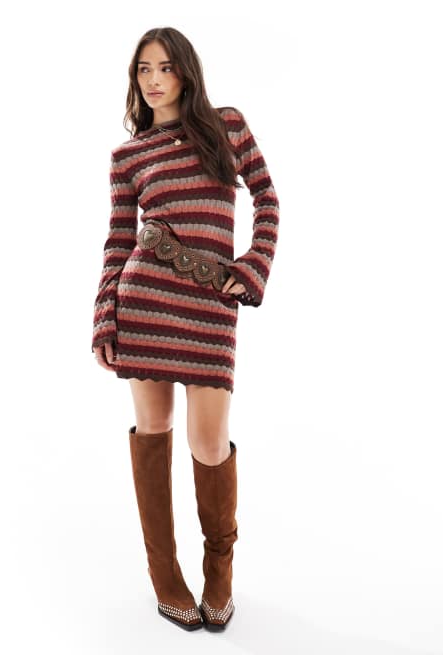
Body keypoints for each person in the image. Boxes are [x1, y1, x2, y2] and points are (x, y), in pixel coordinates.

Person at [91, 26, 280, 631]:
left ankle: (219, 574)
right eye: (143, 69)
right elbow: (118, 241)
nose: (153, 80)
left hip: (211, 307)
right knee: (154, 429)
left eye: (165, 68)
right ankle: (164, 575)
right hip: (143, 304)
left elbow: (268, 201)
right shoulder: (128, 157)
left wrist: (253, 266)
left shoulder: (228, 126)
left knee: (208, 443)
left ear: (186, 72)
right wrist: (104, 317)